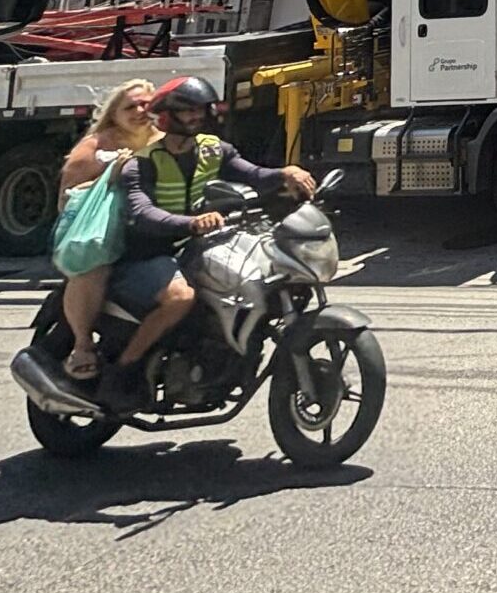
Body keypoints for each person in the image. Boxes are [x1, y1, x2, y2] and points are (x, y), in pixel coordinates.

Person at [100, 75, 317, 413]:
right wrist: (190, 222)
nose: (196, 116)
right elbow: (142, 212)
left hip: (197, 247)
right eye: (187, 111)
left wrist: (285, 174)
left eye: (200, 110)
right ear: (168, 115)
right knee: (181, 298)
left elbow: (253, 174)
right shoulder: (141, 162)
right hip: (147, 254)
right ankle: (123, 372)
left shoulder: (213, 149)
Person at [54, 78, 158, 382]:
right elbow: (68, 195)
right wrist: (110, 175)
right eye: (130, 107)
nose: (139, 111)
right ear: (114, 113)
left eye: (146, 105)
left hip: (153, 229)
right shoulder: (97, 145)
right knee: (93, 266)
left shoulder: (165, 139)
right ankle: (82, 345)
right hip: (103, 232)